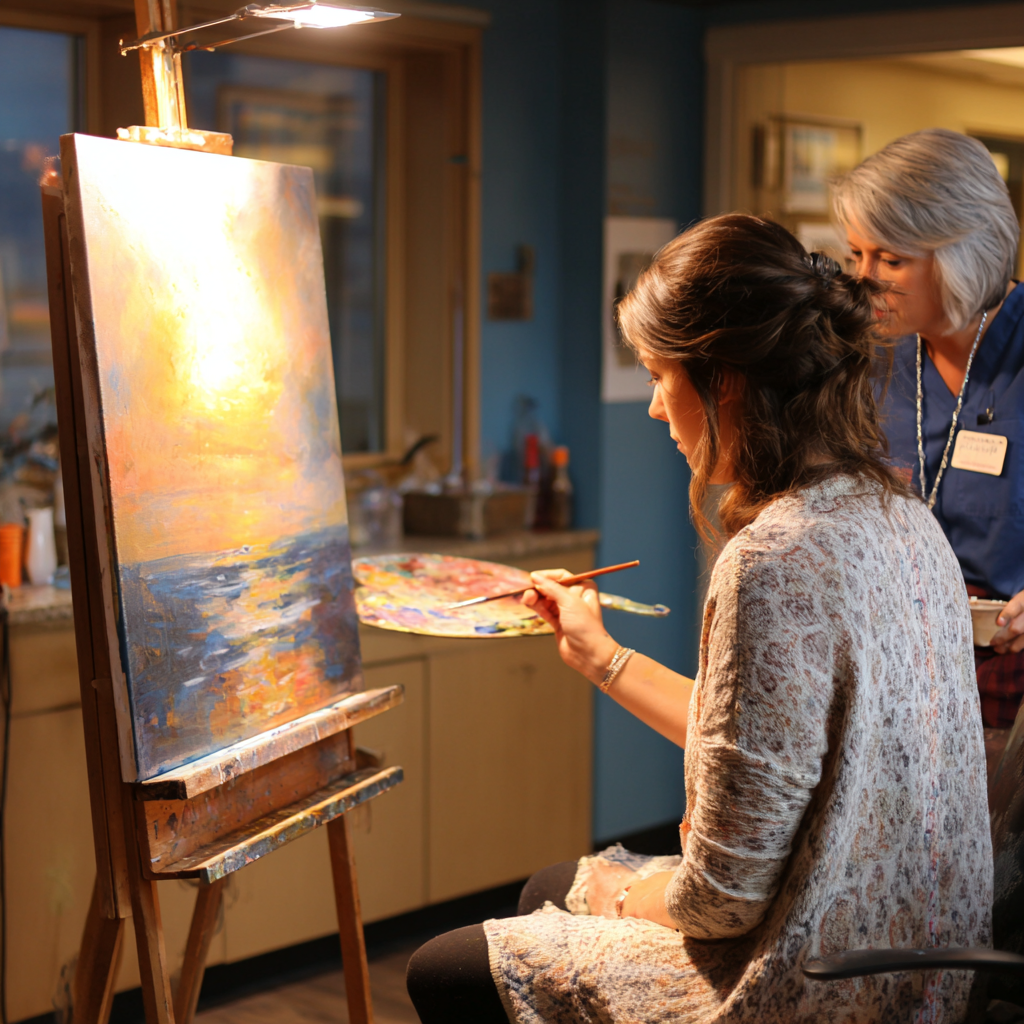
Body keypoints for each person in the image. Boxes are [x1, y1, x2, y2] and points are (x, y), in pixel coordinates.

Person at [405, 214, 991, 1024]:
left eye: (658, 375)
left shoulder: (774, 560)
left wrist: (624, 896)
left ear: (727, 382)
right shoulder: (902, 519)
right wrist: (601, 655)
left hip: (819, 985)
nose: (652, 407)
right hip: (915, 964)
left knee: (445, 968)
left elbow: (722, 902)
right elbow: (768, 752)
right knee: (548, 888)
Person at [832, 128, 1024, 729]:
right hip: (900, 676)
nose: (865, 279)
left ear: (965, 253)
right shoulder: (873, 361)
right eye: (855, 254)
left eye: (891, 259)